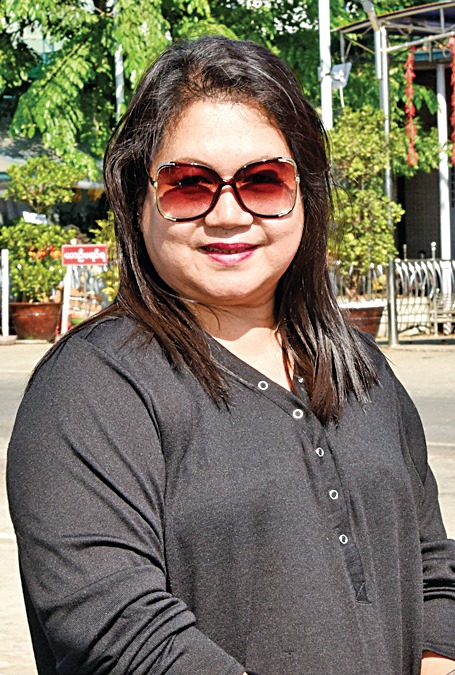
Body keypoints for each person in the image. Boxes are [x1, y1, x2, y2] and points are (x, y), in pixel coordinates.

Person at [7, 36, 455, 675]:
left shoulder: (358, 365)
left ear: (305, 192)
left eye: (263, 181)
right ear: (138, 200)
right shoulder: (91, 388)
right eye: (188, 185)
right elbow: (122, 635)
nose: (227, 214)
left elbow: (432, 568)